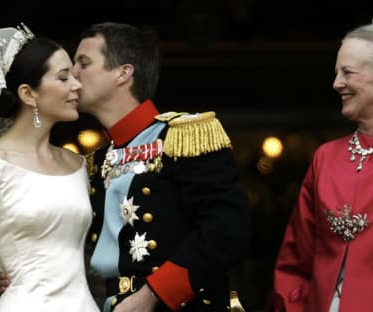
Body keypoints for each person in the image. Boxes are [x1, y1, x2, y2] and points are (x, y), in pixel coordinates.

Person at [72, 22, 249, 312]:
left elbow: (227, 230)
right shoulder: (97, 160)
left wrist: (151, 296)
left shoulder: (185, 136)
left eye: (84, 63)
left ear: (123, 73)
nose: (73, 75)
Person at [264, 8, 373, 312]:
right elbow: (295, 262)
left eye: (348, 73)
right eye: (336, 73)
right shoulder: (326, 158)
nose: (336, 84)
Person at [0, 25, 99, 311]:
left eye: (74, 77)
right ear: (28, 94)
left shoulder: (76, 164)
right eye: (63, 78)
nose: (77, 86)